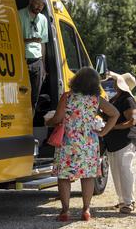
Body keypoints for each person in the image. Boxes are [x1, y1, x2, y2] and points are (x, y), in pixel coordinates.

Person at [46, 67, 119, 222]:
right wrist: (103, 132)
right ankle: (86, 210)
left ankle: (65, 210)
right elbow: (115, 114)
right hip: (89, 143)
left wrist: (48, 121)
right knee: (88, 177)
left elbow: (58, 119)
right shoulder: (96, 99)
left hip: (68, 142)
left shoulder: (67, 97)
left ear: (76, 80)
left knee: (64, 177)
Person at [103, 72, 136, 214]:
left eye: (116, 81)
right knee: (116, 170)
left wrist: (112, 127)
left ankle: (128, 201)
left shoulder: (128, 99)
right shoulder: (116, 98)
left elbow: (132, 121)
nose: (114, 83)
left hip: (125, 139)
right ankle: (122, 200)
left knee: (124, 170)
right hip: (114, 140)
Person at [18, 0, 48, 112]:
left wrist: (43, 65)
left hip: (37, 62)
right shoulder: (19, 14)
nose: (39, 7)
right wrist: (31, 40)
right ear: (31, 1)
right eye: (37, 4)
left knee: (34, 98)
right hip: (21, 60)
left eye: (42, 5)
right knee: (20, 95)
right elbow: (14, 39)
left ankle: (29, 123)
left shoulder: (43, 19)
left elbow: (43, 44)